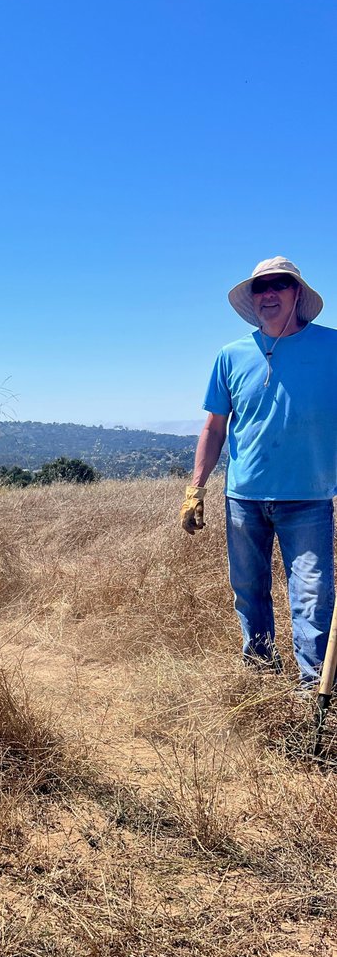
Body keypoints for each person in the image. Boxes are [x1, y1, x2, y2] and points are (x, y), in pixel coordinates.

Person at [181, 257, 337, 687]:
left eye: (279, 284)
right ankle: (263, 679)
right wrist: (196, 488)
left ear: (297, 294)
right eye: (260, 287)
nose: (268, 293)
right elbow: (214, 427)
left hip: (309, 497)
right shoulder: (230, 356)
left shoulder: (332, 348)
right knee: (248, 593)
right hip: (244, 499)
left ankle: (315, 692)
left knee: (312, 596)